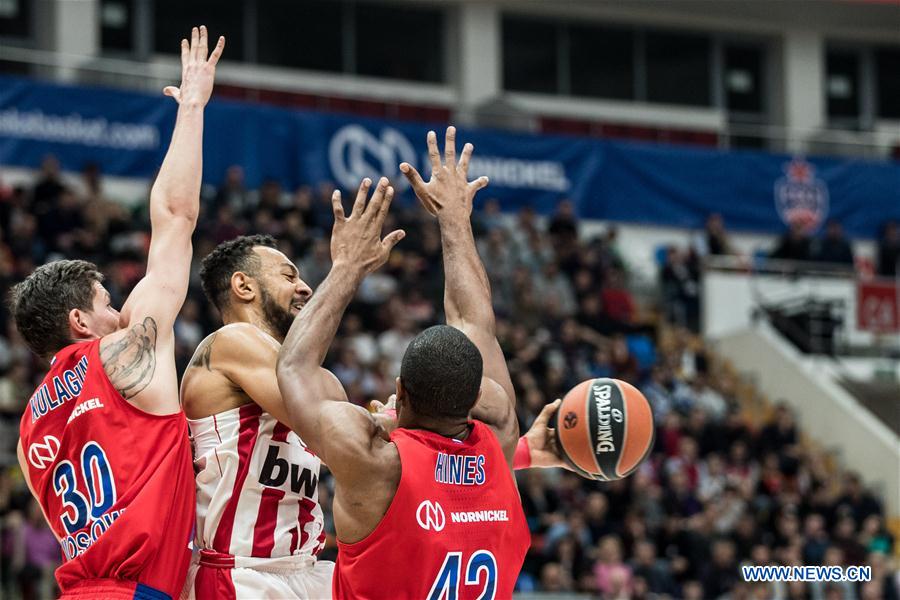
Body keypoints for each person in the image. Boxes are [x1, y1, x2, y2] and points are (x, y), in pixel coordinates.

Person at [180, 222, 564, 598]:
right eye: (288, 275)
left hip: (305, 569)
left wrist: (520, 451)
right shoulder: (231, 342)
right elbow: (319, 392)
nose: (304, 287)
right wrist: (346, 269)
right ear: (243, 286)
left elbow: (378, 462)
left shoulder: (284, 376)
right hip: (240, 574)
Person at [276, 128, 533, 599]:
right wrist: (456, 219)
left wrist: (347, 266)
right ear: (474, 398)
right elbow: (475, 324)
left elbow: (295, 368)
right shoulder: (499, 437)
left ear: (401, 390)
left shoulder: (377, 462)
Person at [13, 27, 223, 599]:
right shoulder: (126, 353)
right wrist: (193, 109)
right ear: (81, 322)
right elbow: (176, 216)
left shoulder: (28, 430)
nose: (123, 311)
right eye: (109, 303)